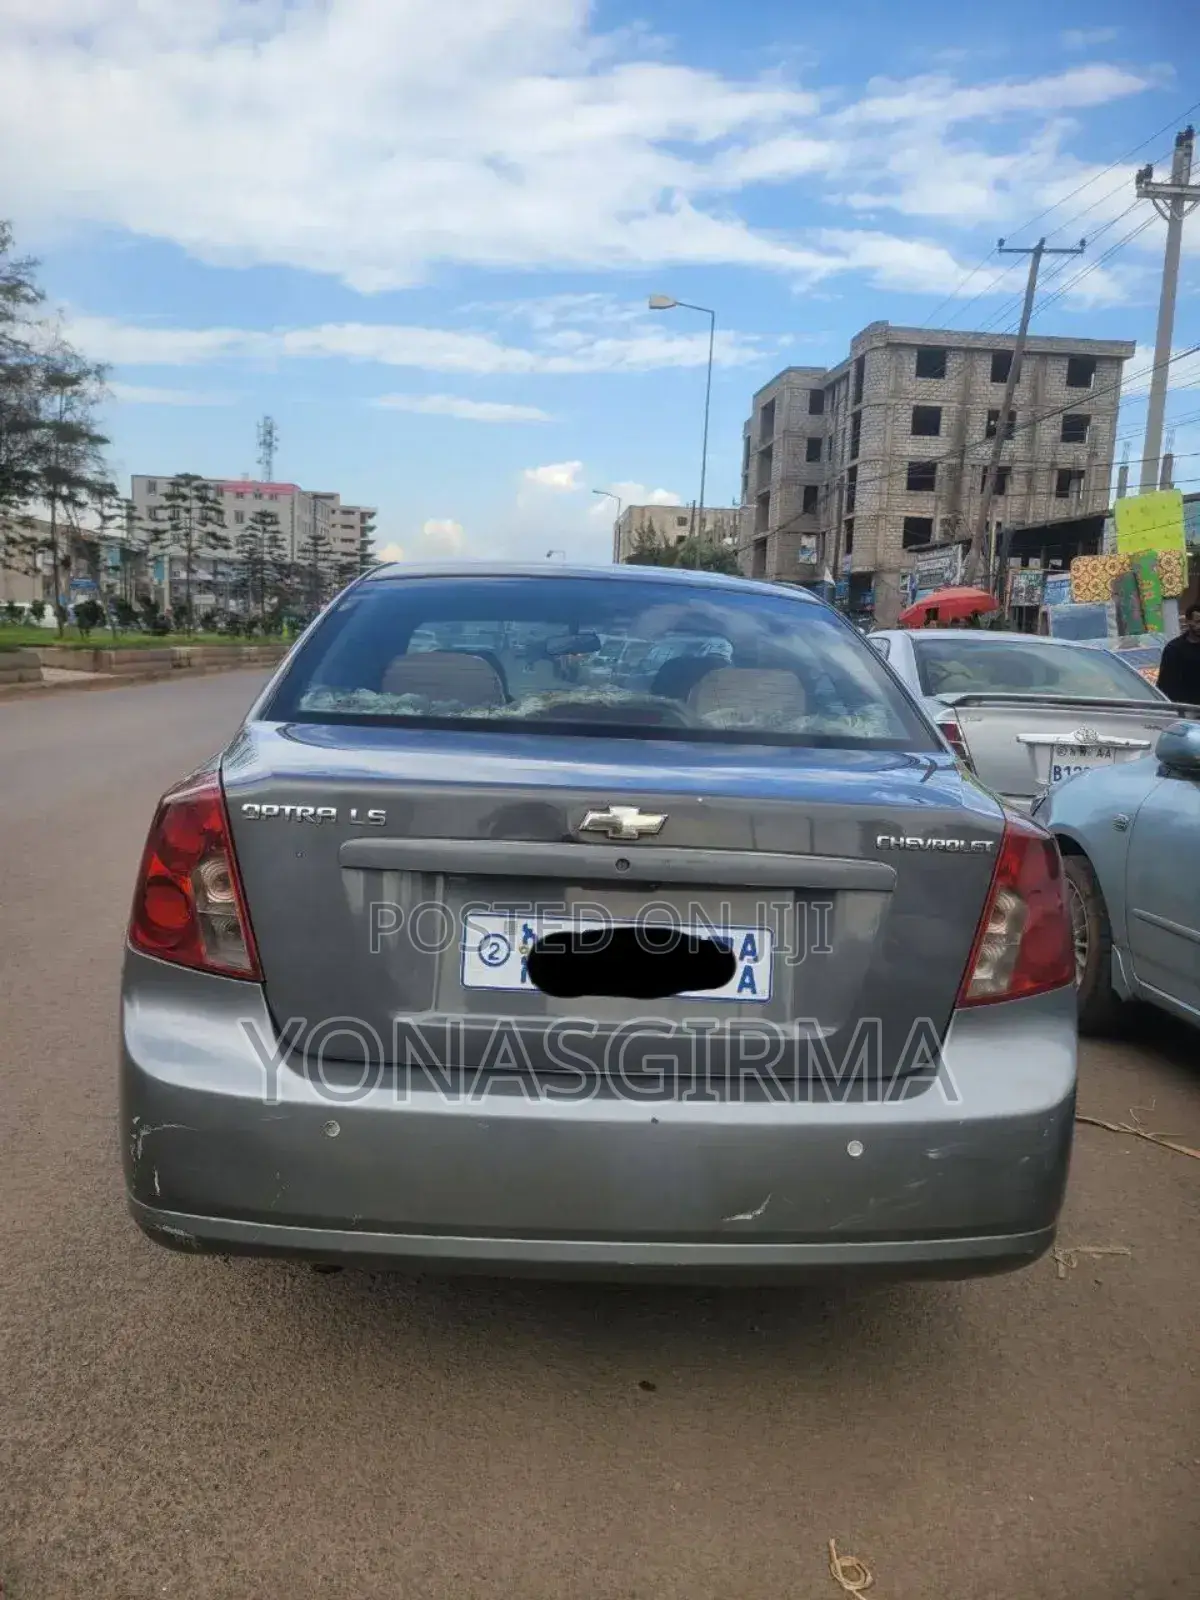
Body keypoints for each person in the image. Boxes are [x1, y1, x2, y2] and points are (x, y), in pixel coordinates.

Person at [1156, 602, 1200, 706]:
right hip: (1190, 711)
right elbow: (1167, 686)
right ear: (1188, 621)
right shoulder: (1174, 650)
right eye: (1198, 622)